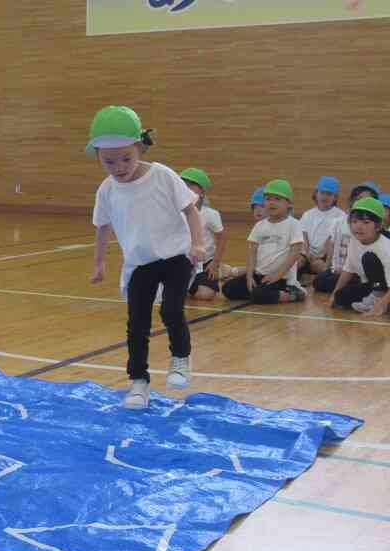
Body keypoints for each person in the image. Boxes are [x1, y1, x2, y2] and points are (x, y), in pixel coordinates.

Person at [89, 106, 204, 409]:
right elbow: (102, 227)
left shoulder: (162, 176)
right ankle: (138, 382)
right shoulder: (107, 190)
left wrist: (196, 244)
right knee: (136, 324)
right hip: (140, 263)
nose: (119, 166)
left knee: (170, 310)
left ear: (139, 147)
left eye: (126, 158)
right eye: (109, 161)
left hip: (177, 255)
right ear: (97, 156)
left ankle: (180, 358)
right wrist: (99, 263)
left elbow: (190, 210)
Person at [222, 179, 306, 304]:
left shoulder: (294, 224)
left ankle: (293, 294)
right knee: (228, 289)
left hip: (282, 278)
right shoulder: (259, 226)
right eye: (268, 199)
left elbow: (294, 254)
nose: (271, 203)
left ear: (289, 203)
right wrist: (249, 276)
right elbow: (252, 253)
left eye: (277, 199)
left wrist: (276, 275)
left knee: (258, 294)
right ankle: (263, 294)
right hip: (259, 275)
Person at [329, 197, 390, 315]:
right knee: (341, 297)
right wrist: (333, 294)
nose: (358, 226)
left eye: (366, 222)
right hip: (374, 286)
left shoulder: (386, 248)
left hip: (385, 288)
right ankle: (376, 299)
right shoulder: (354, 240)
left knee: (369, 258)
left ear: (378, 226)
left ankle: (380, 300)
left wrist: (381, 305)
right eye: (355, 221)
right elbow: (348, 270)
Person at [180, 168, 227, 300]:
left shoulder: (211, 214)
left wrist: (215, 263)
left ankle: (222, 270)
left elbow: (221, 238)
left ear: (202, 192)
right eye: (183, 186)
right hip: (182, 262)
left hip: (205, 261)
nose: (185, 189)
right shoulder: (175, 213)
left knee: (206, 295)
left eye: (190, 186)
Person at [298, 176, 345, 276]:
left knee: (319, 266)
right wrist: (306, 254)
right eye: (322, 193)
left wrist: (320, 256)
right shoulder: (308, 214)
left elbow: (333, 240)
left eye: (329, 194)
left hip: (326, 256)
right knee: (297, 262)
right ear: (316, 194)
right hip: (308, 254)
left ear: (335, 197)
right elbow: (303, 237)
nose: (324, 197)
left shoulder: (340, 216)